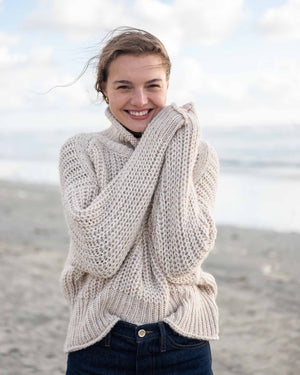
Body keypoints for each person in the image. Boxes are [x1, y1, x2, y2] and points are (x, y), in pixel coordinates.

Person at [58, 26, 220, 375]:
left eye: (152, 86)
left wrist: (176, 152)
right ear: (103, 89)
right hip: (100, 341)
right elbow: (99, 253)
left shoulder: (200, 156)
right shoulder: (81, 151)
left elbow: (178, 261)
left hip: (182, 341)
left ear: (167, 86)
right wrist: (158, 139)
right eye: (123, 86)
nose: (141, 100)